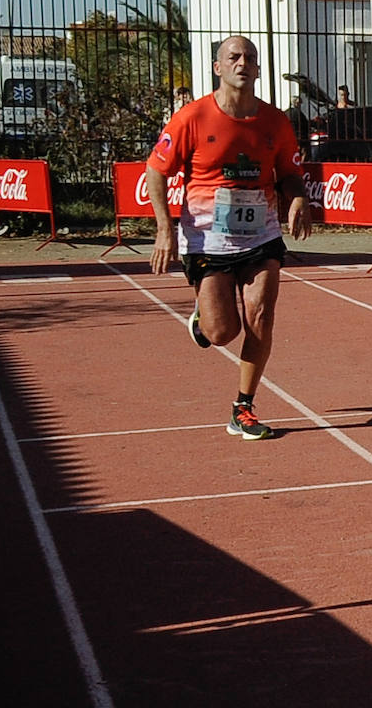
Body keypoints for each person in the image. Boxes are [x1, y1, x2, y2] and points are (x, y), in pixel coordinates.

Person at [145, 35, 311, 441]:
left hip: (261, 236)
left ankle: (243, 407)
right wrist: (164, 229)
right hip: (208, 240)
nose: (242, 63)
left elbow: (289, 173)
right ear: (218, 67)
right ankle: (204, 319)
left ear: (258, 69)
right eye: (234, 57)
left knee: (261, 316)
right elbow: (155, 170)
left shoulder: (275, 121)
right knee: (222, 332)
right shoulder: (192, 117)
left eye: (250, 58)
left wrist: (297, 198)